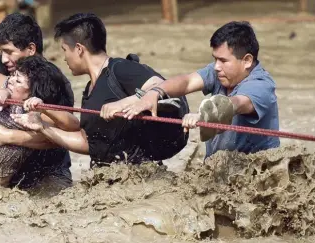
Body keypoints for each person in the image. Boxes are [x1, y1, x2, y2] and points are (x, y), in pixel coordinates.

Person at [12, 13, 190, 168]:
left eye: (64, 50)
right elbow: (87, 143)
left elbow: (159, 86)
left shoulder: (121, 68)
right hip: (109, 179)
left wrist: (124, 102)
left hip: (143, 176)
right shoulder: (90, 91)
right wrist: (42, 127)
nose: (64, 57)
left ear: (79, 49)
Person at [120, 21, 280, 159]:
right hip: (221, 168)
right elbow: (187, 81)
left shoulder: (261, 85)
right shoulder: (220, 71)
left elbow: (236, 103)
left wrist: (203, 115)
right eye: (215, 59)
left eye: (223, 60)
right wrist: (154, 93)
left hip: (256, 175)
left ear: (247, 60)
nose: (216, 67)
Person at [0, 12, 77, 191]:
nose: (3, 59)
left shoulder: (54, 81)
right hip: (10, 169)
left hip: (48, 171)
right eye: (1, 52)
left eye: (8, 52)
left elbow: (64, 135)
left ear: (30, 50)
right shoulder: (5, 66)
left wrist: (8, 136)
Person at [0, 55, 78, 189]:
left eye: (18, 80)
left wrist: (44, 110)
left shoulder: (33, 113)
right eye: (13, 75)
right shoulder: (5, 87)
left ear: (31, 94)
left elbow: (72, 126)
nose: (10, 80)